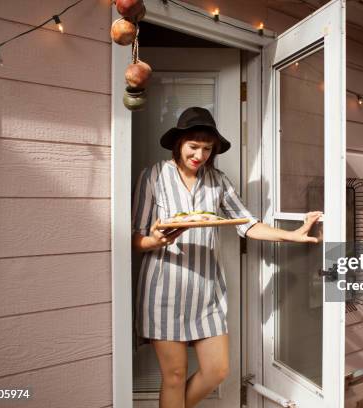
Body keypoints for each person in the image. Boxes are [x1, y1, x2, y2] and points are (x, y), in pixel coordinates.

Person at [132, 107, 322, 408]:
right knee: (174, 376)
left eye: (207, 149)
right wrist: (154, 240)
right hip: (162, 291)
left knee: (217, 370)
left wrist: (293, 234)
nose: (200, 155)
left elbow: (247, 224)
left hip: (207, 292)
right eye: (193, 146)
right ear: (178, 144)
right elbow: (136, 238)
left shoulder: (218, 180)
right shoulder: (153, 176)